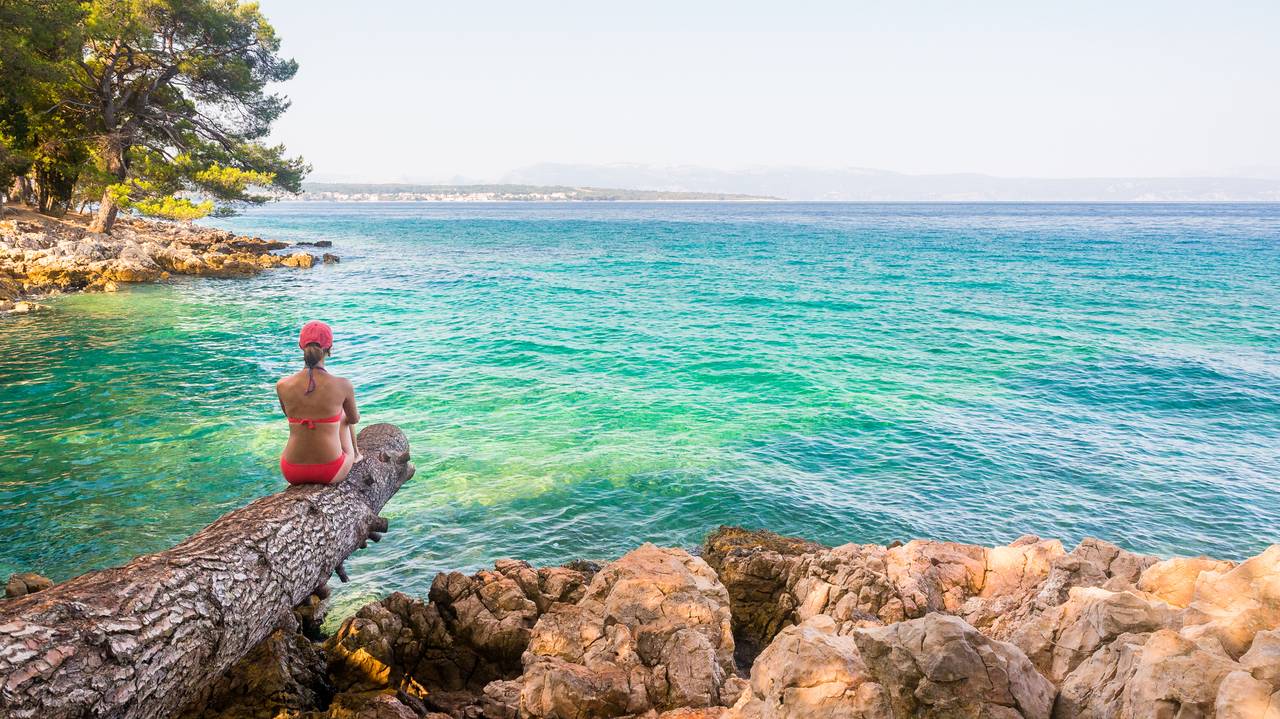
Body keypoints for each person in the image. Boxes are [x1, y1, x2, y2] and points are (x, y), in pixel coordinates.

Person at [277, 321, 362, 485]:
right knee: (344, 415)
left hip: (291, 471)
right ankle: (357, 455)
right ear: (329, 348)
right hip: (329, 471)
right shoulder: (343, 385)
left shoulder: (282, 385)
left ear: (301, 346)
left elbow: (289, 414)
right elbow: (354, 419)